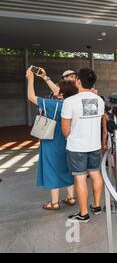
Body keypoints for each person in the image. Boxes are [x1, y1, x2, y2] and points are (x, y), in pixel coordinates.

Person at [26, 68, 78, 210]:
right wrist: (44, 77)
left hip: (51, 140)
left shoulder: (52, 104)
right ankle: (71, 197)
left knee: (51, 169)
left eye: (58, 87)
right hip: (68, 141)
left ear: (61, 92)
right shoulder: (73, 103)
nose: (56, 87)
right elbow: (61, 90)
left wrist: (30, 79)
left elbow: (31, 97)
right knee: (67, 168)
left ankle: (54, 203)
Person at [61, 68, 105, 223]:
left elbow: (65, 128)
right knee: (95, 173)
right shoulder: (99, 100)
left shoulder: (69, 101)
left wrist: (70, 137)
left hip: (77, 147)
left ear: (78, 81)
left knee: (80, 178)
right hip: (94, 144)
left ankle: (84, 213)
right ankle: (97, 206)